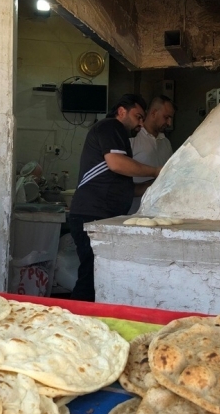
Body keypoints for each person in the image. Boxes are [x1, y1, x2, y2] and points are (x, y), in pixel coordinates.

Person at [68, 94, 163, 301]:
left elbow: (124, 187)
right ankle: (75, 315)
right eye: (138, 116)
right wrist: (156, 171)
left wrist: (154, 184)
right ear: (121, 111)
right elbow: (116, 164)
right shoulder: (111, 126)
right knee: (91, 277)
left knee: (98, 276)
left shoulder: (118, 136)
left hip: (99, 215)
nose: (141, 123)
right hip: (91, 215)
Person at [128, 95, 176, 214]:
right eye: (166, 117)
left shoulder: (166, 142)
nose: (169, 123)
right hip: (132, 211)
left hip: (159, 211)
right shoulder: (132, 139)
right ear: (154, 113)